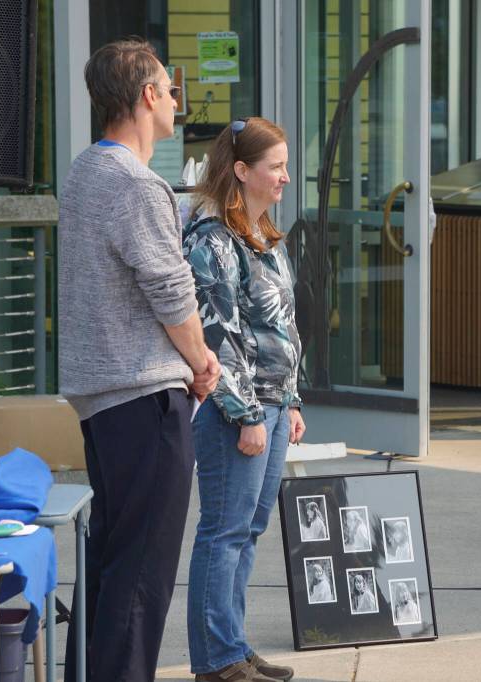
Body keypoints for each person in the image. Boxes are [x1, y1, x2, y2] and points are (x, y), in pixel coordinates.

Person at [58, 38, 221, 682]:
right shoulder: (135, 182)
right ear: (147, 95)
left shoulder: (82, 172)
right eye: (170, 88)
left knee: (112, 566)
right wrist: (203, 359)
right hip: (144, 397)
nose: (177, 101)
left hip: (104, 401)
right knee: (141, 577)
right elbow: (171, 288)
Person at [184, 116, 304, 682]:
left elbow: (283, 327)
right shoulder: (212, 240)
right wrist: (248, 413)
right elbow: (218, 338)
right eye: (275, 166)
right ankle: (217, 659)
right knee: (225, 530)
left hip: (275, 405)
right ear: (240, 171)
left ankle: (233, 644)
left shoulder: (266, 236)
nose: (285, 176)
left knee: (248, 529)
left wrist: (292, 401)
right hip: (239, 410)